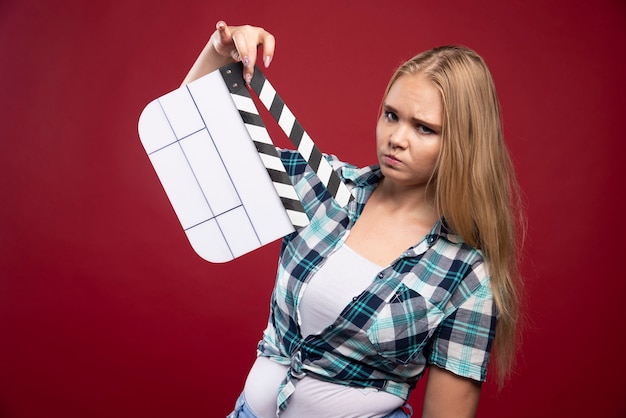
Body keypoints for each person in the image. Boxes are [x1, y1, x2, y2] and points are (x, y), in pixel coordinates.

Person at [183, 21, 524, 418]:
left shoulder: (466, 273)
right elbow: (193, 152)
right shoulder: (319, 183)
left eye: (424, 128)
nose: (396, 138)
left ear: (464, 143)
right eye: (391, 115)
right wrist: (218, 52)